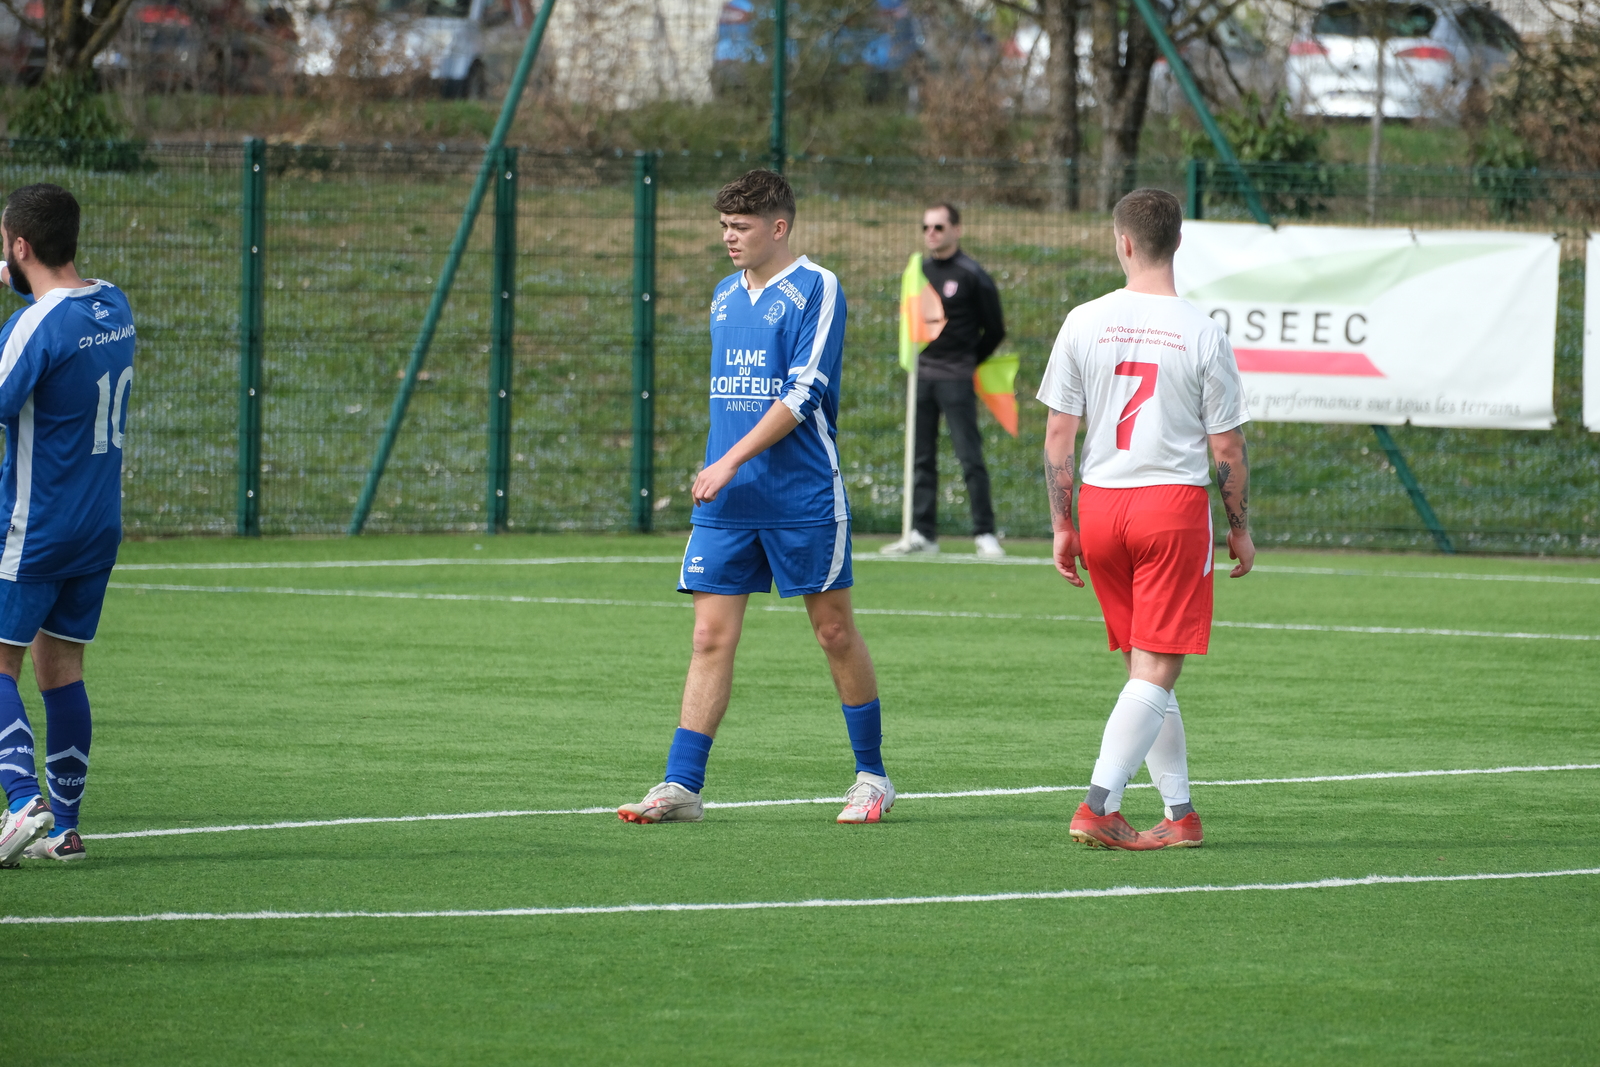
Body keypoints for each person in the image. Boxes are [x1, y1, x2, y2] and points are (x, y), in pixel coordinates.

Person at [617, 170, 895, 826]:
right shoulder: (722, 295)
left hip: (800, 495)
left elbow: (803, 394)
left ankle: (872, 776)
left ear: (779, 227)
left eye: (740, 227)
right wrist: (724, 467)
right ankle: (681, 785)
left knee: (833, 631)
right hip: (728, 502)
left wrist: (728, 460)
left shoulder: (818, 287)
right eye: (723, 226)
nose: (729, 237)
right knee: (708, 636)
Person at [1035, 188, 1253, 852]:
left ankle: (1181, 813)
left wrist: (1063, 524)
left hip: (1101, 504)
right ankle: (1098, 804)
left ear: (1122, 242)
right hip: (1170, 509)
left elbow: (1058, 435)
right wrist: (1239, 525)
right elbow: (1226, 447)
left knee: (1144, 667)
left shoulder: (1083, 320)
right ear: (1177, 242)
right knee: (1157, 668)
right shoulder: (1203, 331)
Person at [0, 183, 135, 866]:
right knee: (61, 668)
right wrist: (18, 277)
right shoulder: (114, 305)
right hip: (97, 525)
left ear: (21, 245)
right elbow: (56, 311)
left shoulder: (31, 328)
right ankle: (66, 830)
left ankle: (23, 800)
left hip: (37, 525)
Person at [882, 201, 1007, 559]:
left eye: (938, 227)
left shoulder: (972, 274)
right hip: (921, 377)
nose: (931, 234)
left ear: (956, 229)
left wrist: (968, 360)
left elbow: (995, 328)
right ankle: (923, 533)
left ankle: (984, 532)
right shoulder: (918, 272)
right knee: (920, 457)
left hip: (956, 377)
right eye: (926, 227)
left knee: (969, 456)